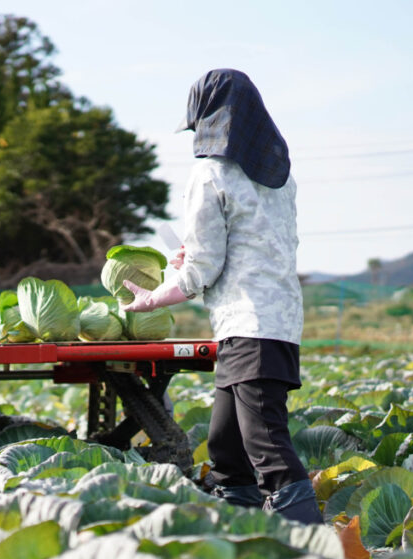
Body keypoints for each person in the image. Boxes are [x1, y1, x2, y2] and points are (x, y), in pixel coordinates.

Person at [122, 69, 323, 525]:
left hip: (250, 323)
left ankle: (314, 545)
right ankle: (237, 523)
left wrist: (153, 299)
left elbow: (204, 268)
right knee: (227, 447)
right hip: (276, 320)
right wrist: (194, 255)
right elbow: (250, 247)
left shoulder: (209, 174)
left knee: (265, 441)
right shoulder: (278, 179)